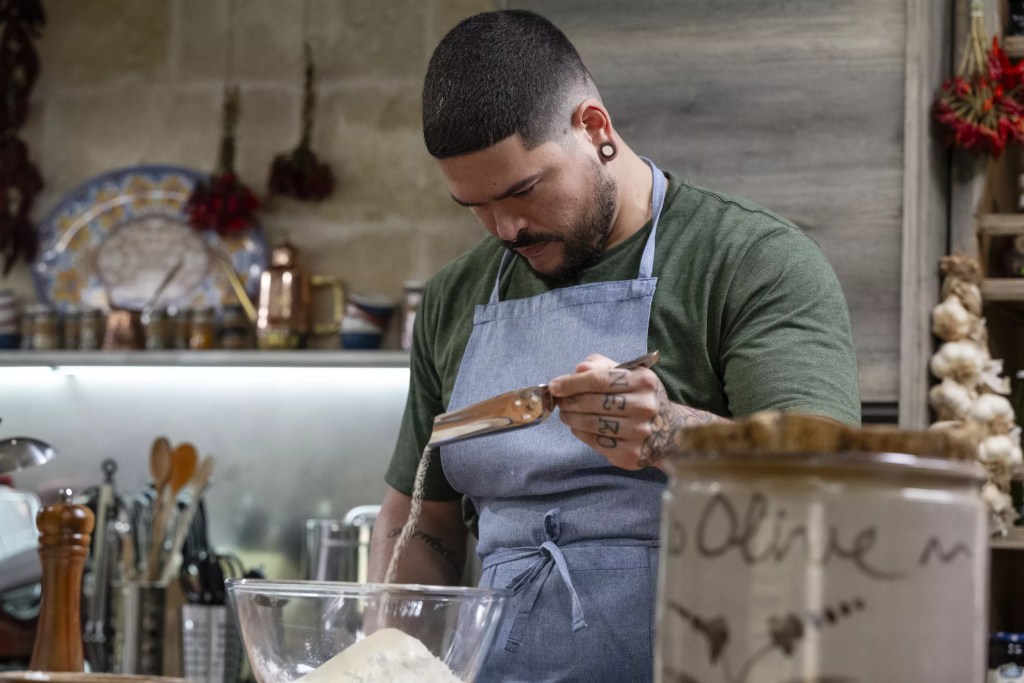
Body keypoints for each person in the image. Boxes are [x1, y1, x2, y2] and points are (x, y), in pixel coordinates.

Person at [368, 9, 861, 682]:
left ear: (594, 127)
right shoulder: (458, 296)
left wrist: (672, 434)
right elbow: (421, 527)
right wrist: (388, 663)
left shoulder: (749, 260)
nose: (506, 226)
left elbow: (836, 489)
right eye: (475, 206)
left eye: (524, 189)